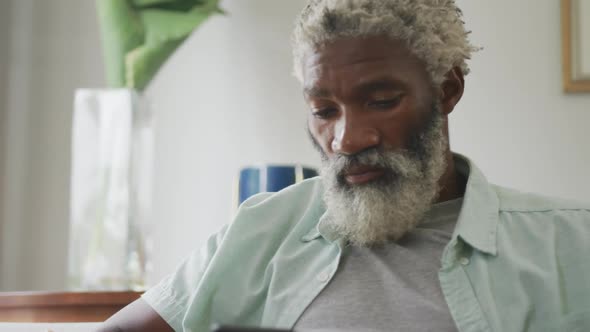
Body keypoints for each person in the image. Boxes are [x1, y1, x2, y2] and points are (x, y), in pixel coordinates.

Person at [97, 0, 590, 331]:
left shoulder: (570, 245)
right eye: (324, 111)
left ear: (447, 90)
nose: (347, 139)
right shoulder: (263, 230)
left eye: (381, 101)